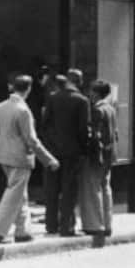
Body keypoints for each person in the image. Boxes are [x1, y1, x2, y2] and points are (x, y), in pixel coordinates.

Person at [0, 75, 60, 243]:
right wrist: (49, 160)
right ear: (29, 89)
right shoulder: (23, 110)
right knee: (14, 193)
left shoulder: (0, 106)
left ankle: (22, 231)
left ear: (13, 87)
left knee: (20, 194)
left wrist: (2, 147)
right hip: (20, 158)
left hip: (3, 157)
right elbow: (31, 140)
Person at [42, 68, 91, 236]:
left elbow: (45, 125)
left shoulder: (53, 98)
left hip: (53, 150)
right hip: (73, 151)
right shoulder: (82, 101)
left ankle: (51, 224)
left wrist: (50, 145)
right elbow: (83, 130)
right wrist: (84, 149)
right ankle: (66, 226)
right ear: (80, 81)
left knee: (52, 188)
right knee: (69, 189)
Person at [80, 79, 117, 242]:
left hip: (97, 155)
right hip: (109, 154)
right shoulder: (111, 109)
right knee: (106, 187)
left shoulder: (97, 110)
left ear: (96, 93)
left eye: (92, 91)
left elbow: (95, 136)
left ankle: (96, 225)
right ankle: (108, 224)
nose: (90, 94)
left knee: (93, 189)